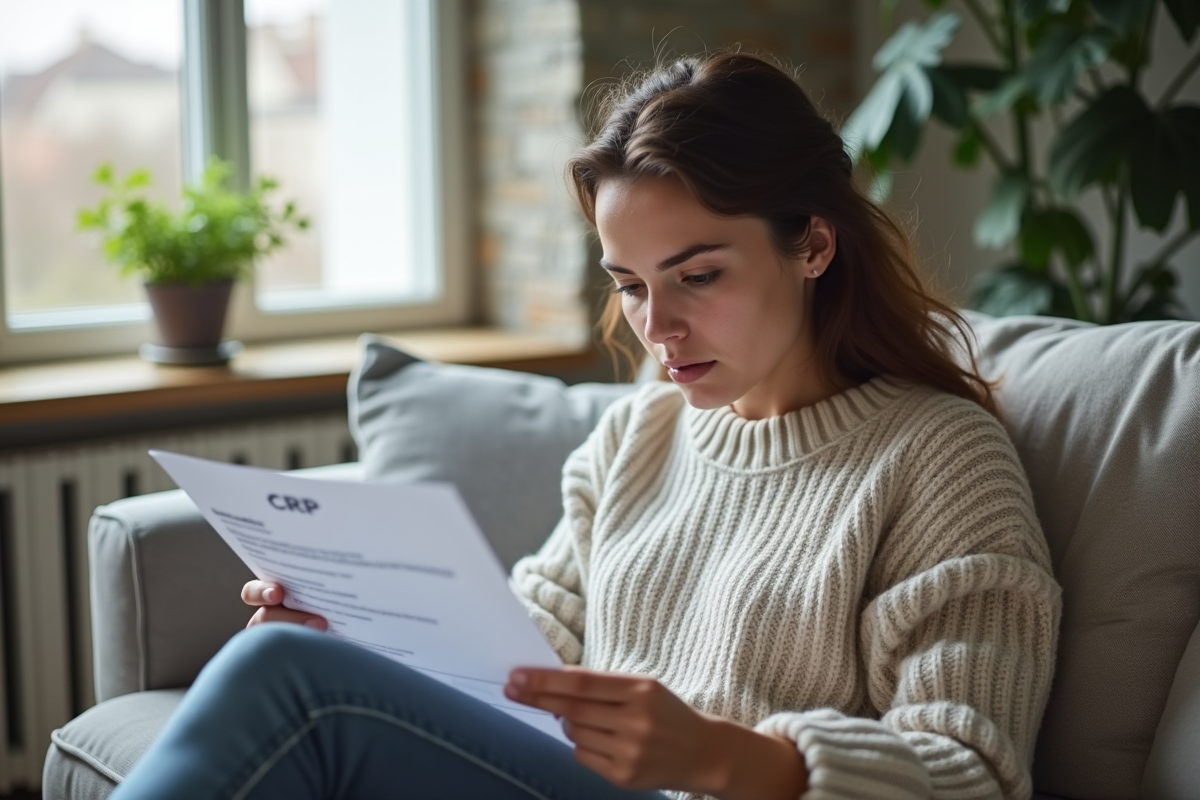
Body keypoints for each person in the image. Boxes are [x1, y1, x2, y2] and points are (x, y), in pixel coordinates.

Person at [110, 52, 1060, 800]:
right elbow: (531, 647)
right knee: (292, 652)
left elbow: (972, 768)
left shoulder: (941, 459)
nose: (659, 326)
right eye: (631, 285)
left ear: (812, 243)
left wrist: (726, 757)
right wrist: (361, 634)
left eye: (698, 275)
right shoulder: (643, 433)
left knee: (287, 677)